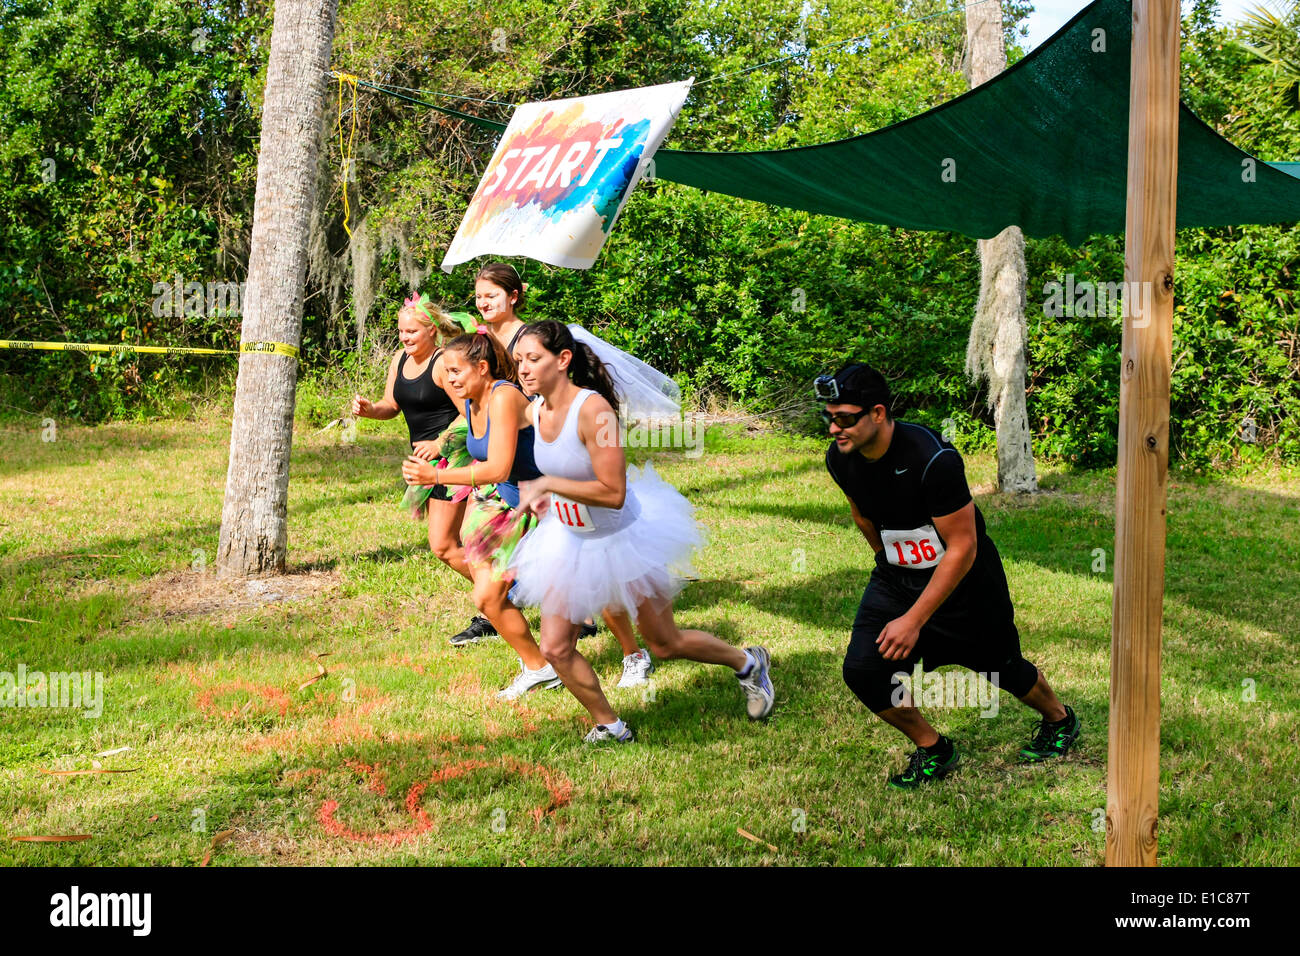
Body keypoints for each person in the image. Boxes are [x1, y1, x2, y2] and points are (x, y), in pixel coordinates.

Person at [508, 320, 775, 744]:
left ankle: (747, 662)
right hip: (570, 541)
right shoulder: (534, 408)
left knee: (664, 642)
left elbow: (612, 492)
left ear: (562, 360)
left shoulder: (594, 410)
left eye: (533, 359)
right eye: (518, 359)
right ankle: (610, 725)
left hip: (623, 540)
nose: (522, 369)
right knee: (556, 649)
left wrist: (548, 485)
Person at [819, 362, 1080, 789]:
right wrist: (890, 565)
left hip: (966, 583)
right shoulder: (841, 458)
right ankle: (935, 747)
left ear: (878, 414)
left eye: (845, 418)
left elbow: (964, 546)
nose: (834, 429)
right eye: (829, 418)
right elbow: (862, 513)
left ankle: (1059, 718)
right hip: (897, 578)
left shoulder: (932, 459)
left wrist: (914, 619)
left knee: (1002, 666)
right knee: (864, 670)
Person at [401, 327, 560, 700]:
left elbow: (500, 466)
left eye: (455, 372)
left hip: (543, 499)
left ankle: (636, 654)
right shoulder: (471, 399)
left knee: (593, 590)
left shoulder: (504, 397)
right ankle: (539, 668)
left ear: (483, 367)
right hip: (502, 499)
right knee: (487, 597)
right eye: (446, 373)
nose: (448, 380)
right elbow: (479, 452)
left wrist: (436, 475)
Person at [352, 294, 495, 647]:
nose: (404, 337)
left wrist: (440, 442)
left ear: (431, 330)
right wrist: (372, 410)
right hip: (426, 463)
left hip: (455, 457)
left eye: (412, 331)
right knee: (455, 542)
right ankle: (498, 598)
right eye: (401, 331)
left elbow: (472, 411)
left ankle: (500, 596)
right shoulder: (399, 359)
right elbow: (392, 404)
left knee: (444, 545)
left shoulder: (443, 363)